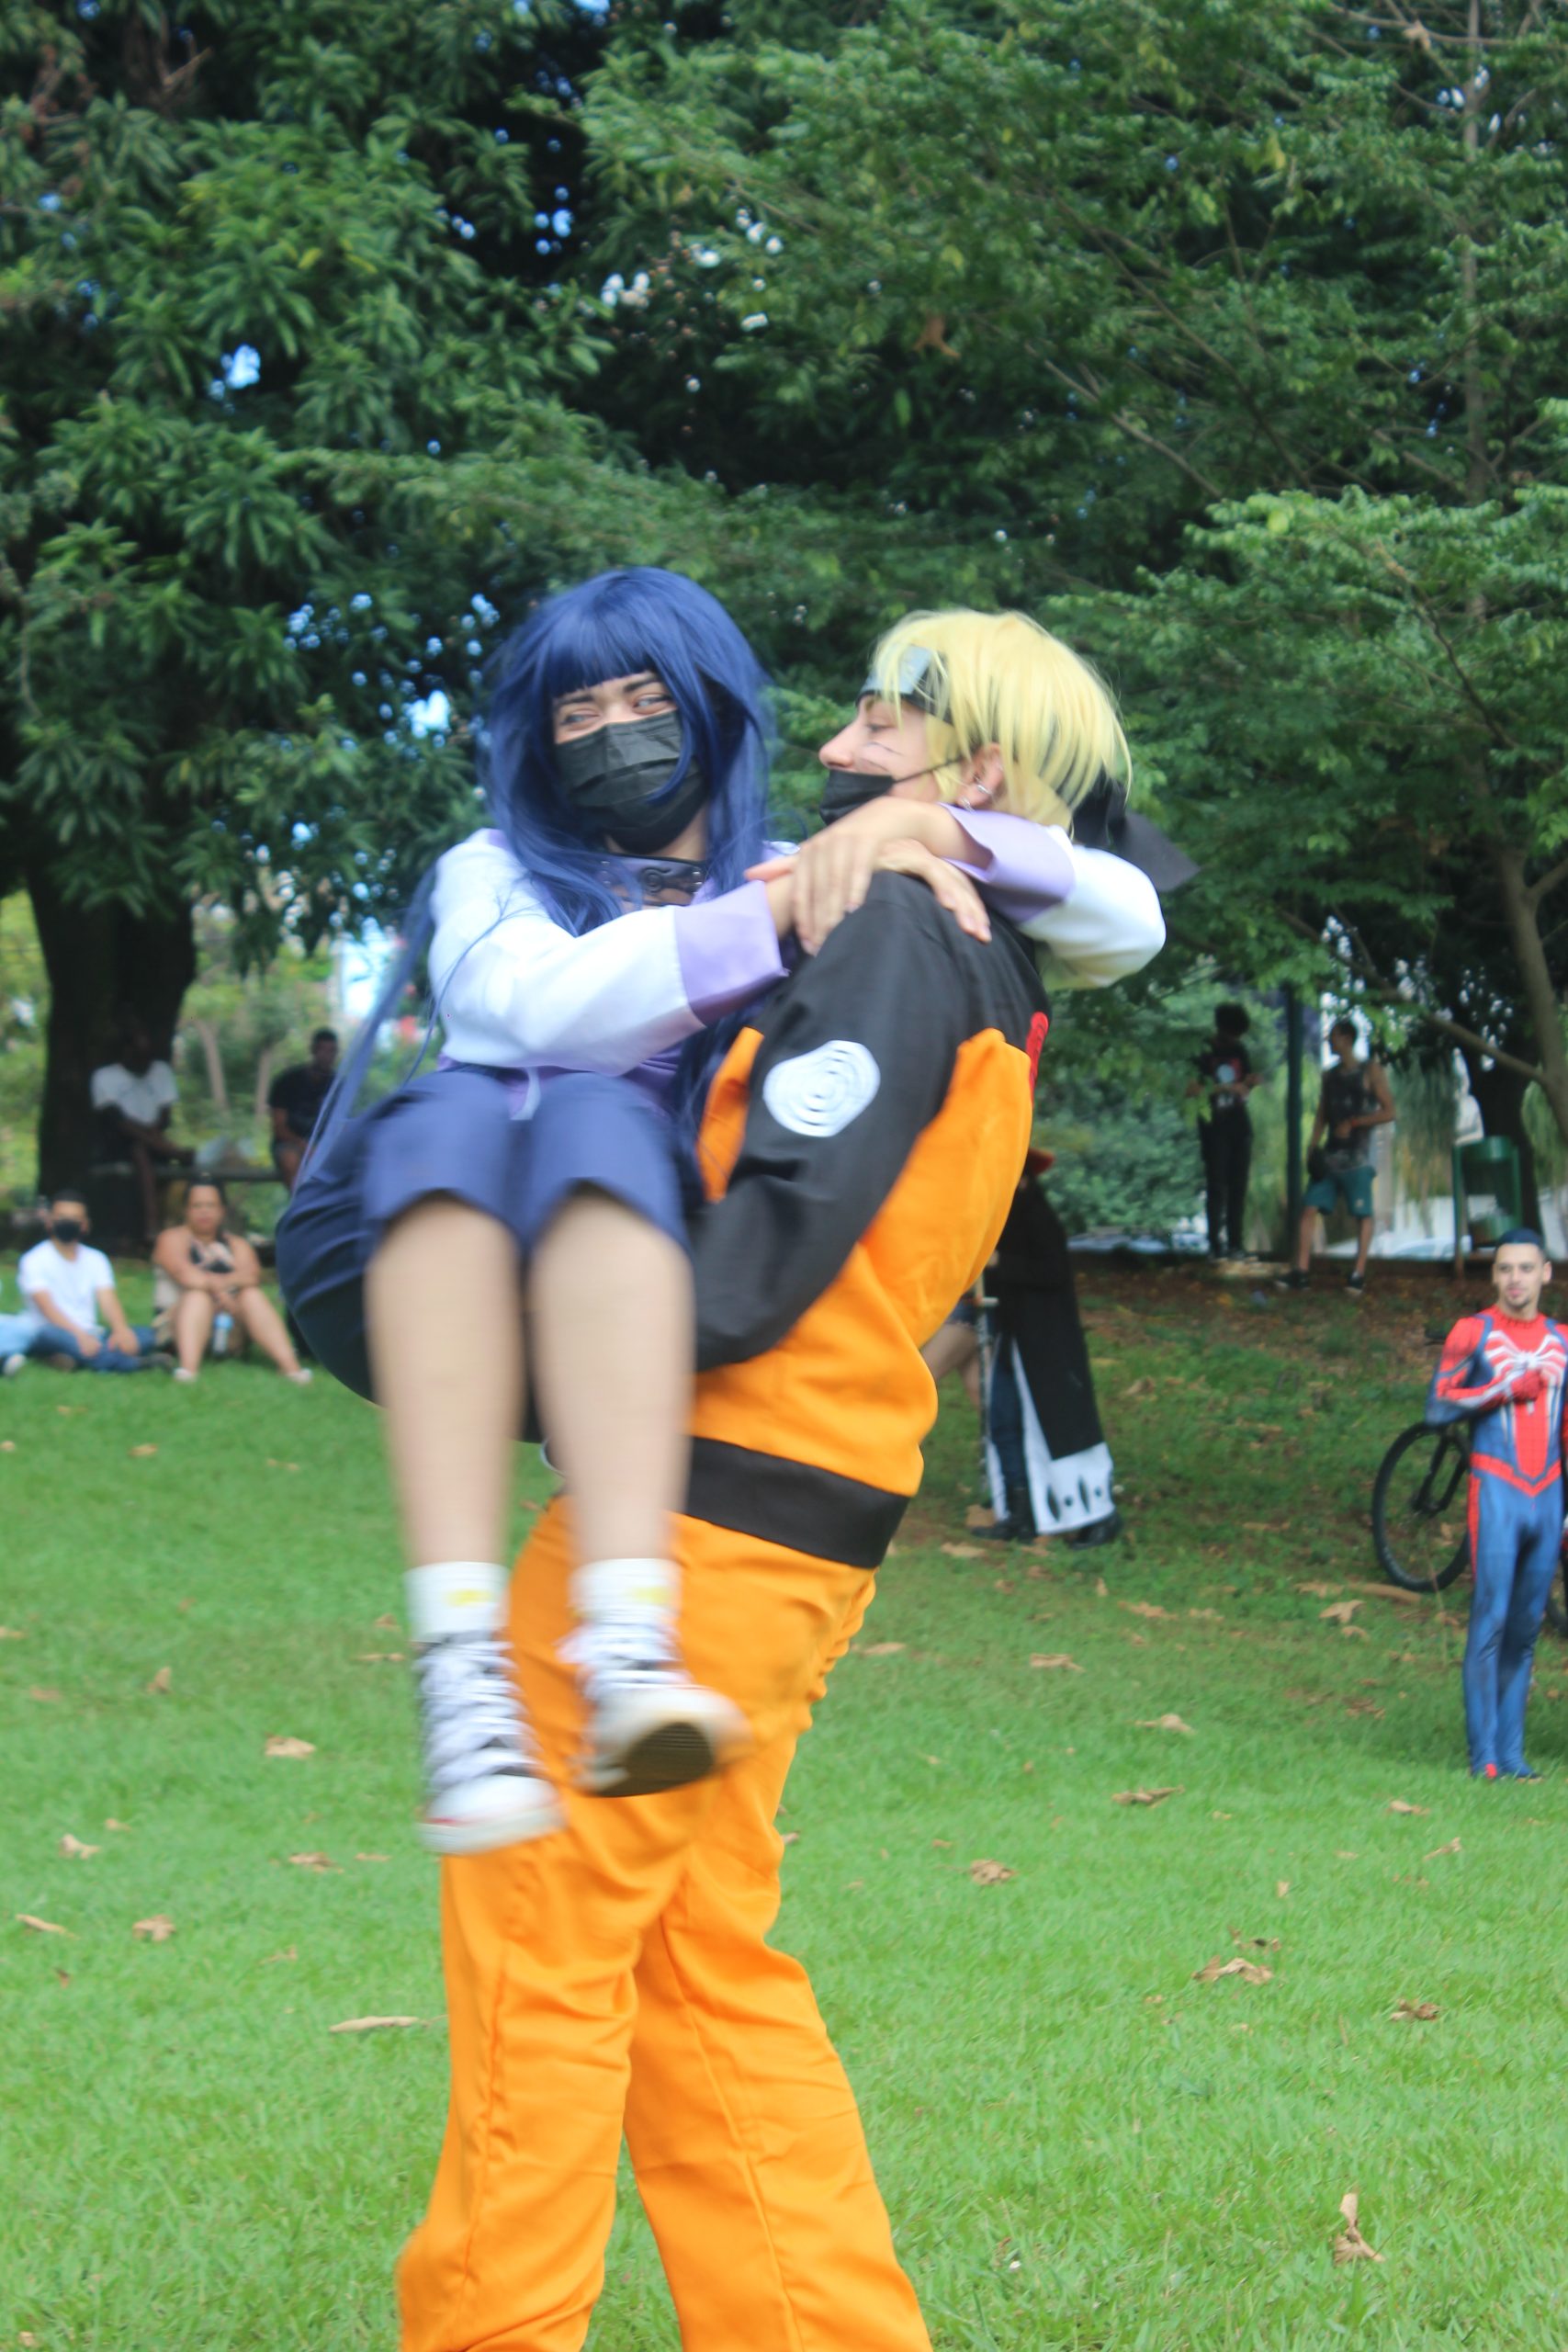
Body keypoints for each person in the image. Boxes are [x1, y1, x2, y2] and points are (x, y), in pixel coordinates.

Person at [397, 604, 1167, 2352]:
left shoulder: (897, 929)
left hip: (697, 1514)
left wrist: (503, 1348)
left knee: (540, 1963)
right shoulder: (978, 945)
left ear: (974, 763)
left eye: (882, 720)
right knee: (693, 1969)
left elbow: (765, 1253)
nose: (835, 742)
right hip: (798, 1514)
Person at [278, 575, 1151, 1857]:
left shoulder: (798, 864)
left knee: (604, 1138)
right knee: (506, 1117)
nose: (613, 732)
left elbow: (1128, 912)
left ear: (706, 708)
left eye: (643, 699)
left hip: (612, 1251)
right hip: (415, 1224)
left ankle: (627, 1646)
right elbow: (535, 1008)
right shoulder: (500, 870)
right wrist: (786, 903)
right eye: (577, 712)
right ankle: (461, 1670)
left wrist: (936, 832)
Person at [1427, 1229, 1567, 1780]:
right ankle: (1482, 1755)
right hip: (1496, 1490)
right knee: (1489, 1619)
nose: (1515, 1279)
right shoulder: (1472, 1332)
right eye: (1505, 1269)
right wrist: (1503, 1388)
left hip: (1548, 1497)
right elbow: (1437, 1408)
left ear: (1545, 1273)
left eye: (1526, 1268)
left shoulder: (1562, 1340)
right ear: (1494, 1275)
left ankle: (1512, 1754)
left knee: (1526, 1627)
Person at [976, 1150, 1120, 1546]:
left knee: (1062, 1429)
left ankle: (1100, 1517)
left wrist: (1001, 1263)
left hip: (1047, 1345)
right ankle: (1019, 1514)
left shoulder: (1039, 1218)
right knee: (1004, 1420)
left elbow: (1052, 1271)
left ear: (1021, 1180)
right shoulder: (1005, 1219)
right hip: (1014, 1337)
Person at [152, 1178, 313, 1385]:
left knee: (251, 1295)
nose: (204, 1212)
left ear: (222, 1210)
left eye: (210, 1205)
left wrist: (216, 1286)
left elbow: (252, 1276)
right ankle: (188, 1370)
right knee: (197, 1296)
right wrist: (222, 1292)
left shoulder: (237, 1244)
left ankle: (291, 1369)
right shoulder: (170, 1239)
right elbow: (186, 1275)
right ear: (186, 1210)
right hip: (176, 1327)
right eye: (197, 1206)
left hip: (230, 1326)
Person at [1279, 1017, 1395, 1293]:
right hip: (1330, 1157)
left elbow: (1390, 1112)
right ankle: (1300, 1272)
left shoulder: (1370, 1070)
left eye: (1333, 1036)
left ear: (1346, 1039)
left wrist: (1355, 1123)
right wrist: (1312, 1144)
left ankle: (1358, 1275)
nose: (1329, 1041)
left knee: (1362, 1214)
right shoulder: (1329, 1076)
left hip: (1360, 1157)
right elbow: (1322, 1113)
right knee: (1309, 1207)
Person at [17, 1192, 162, 1371]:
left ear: (85, 1225)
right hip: (51, 1330)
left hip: (92, 1332)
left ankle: (70, 1359)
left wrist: (121, 1330)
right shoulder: (33, 1260)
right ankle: (132, 1364)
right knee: (56, 1338)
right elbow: (47, 1309)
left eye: (75, 1219)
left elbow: (108, 1299)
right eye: (62, 1217)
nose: (68, 1223)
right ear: (49, 1222)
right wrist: (79, 1336)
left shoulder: (96, 1259)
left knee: (146, 1335)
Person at [89, 1015, 192, 1243]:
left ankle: (170, 1224)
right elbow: (116, 1121)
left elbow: (165, 1115)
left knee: (145, 1148)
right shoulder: (104, 1077)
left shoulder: (161, 1071)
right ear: (126, 1052)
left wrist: (154, 1136)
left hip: (155, 1138)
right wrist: (165, 1148)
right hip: (117, 1143)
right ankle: (151, 1224)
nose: (146, 1064)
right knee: (138, 1149)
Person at [1190, 1001, 1260, 1260]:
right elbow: (1192, 1089)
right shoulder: (1203, 1050)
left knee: (1238, 1186)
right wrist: (1228, 1088)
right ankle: (1214, 1244)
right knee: (1217, 1185)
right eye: (1233, 1033)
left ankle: (1235, 1243)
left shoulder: (1240, 1050)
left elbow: (1244, 1084)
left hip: (1239, 1124)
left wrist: (1249, 1083)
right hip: (1214, 1127)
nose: (1236, 1039)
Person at [267, 1028, 339, 1192]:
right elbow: (279, 1127)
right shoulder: (287, 1081)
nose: (327, 1056)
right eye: (323, 1050)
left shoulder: (339, 1086)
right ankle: (301, 1204)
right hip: (290, 1144)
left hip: (327, 1147)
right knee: (290, 1160)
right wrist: (306, 1147)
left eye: (332, 1051)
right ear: (313, 1050)